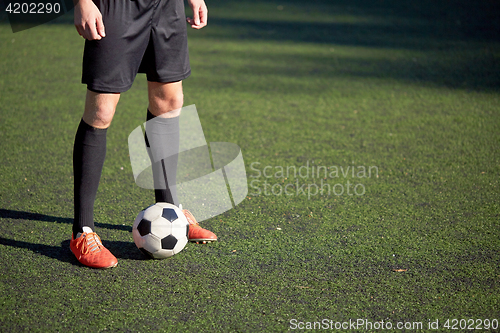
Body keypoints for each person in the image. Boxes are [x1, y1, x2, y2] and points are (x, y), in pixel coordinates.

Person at [70, 0, 216, 269]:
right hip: (116, 7)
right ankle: (82, 231)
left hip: (166, 7)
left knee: (168, 103)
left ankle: (170, 208)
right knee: (101, 111)